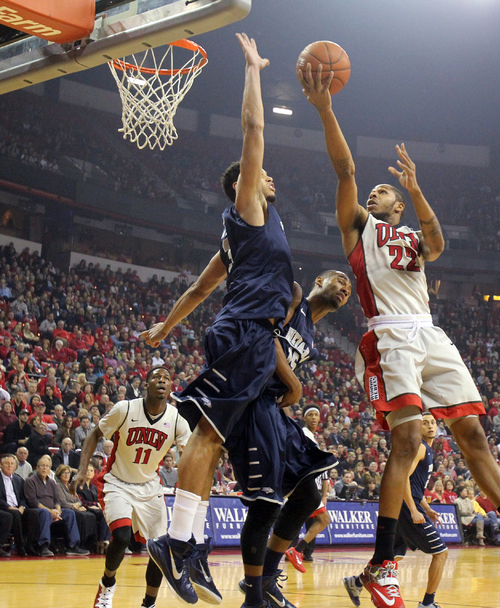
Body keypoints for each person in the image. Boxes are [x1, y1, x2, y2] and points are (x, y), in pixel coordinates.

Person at [299, 59, 500, 608]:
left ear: (398, 204)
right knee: (407, 442)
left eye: (382, 192)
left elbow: (437, 243)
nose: (373, 194)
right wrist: (325, 110)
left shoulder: (413, 236)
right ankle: (383, 564)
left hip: (431, 335)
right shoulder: (359, 230)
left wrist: (416, 190)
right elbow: (345, 169)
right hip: (389, 338)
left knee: (473, 436)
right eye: (373, 192)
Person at [143, 34, 296, 607]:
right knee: (209, 433)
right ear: (243, 184)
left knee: (219, 437)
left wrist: (165, 327)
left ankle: (189, 543)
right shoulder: (249, 207)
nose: (271, 178)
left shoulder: (237, 238)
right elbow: (253, 131)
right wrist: (253, 70)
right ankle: (176, 542)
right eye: (262, 174)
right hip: (246, 332)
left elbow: (200, 288)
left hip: (245, 331)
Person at [233, 272, 350, 608]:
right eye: (341, 281)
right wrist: (294, 384)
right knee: (266, 503)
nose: (346, 289)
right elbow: (264, 337)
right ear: (320, 280)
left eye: (350, 289)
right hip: (251, 398)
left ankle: (268, 576)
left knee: (307, 495)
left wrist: (289, 387)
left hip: (272, 406)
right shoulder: (295, 295)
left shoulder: (311, 333)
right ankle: (254, 594)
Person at [72, 367, 191, 608]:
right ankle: (107, 585)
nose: (162, 381)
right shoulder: (125, 409)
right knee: (121, 536)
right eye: (156, 377)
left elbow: (190, 455)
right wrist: (83, 469)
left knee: (159, 550)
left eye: (166, 379)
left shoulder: (177, 419)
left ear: (170, 388)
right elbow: (94, 434)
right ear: (146, 385)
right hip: (118, 482)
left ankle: (149, 603)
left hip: (149, 487)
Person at [345, 413, 447, 608]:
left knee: (392, 556)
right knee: (441, 553)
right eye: (425, 423)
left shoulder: (427, 450)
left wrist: (427, 508)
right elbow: (403, 477)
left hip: (406, 504)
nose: (430, 426)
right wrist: (413, 509)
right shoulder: (420, 447)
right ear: (418, 428)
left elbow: (416, 487)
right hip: (406, 506)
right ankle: (428, 603)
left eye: (433, 423)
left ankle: (356, 582)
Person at [285, 404, 333, 568]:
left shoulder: (312, 436)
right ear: (304, 418)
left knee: (295, 522)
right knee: (323, 520)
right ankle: (296, 550)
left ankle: (294, 551)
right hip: (304, 484)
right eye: (310, 414)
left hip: (305, 485)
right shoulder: (305, 434)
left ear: (319, 418)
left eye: (316, 415)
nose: (313, 417)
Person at [23, 455, 89, 556]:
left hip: (53, 510)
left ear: (50, 469)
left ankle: (72, 546)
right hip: (37, 510)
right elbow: (33, 502)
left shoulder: (51, 482)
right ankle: (43, 546)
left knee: (70, 513)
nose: (45, 468)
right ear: (37, 468)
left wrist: (58, 511)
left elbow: (57, 500)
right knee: (45, 513)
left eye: (47, 466)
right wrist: (51, 512)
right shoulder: (30, 481)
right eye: (42, 466)